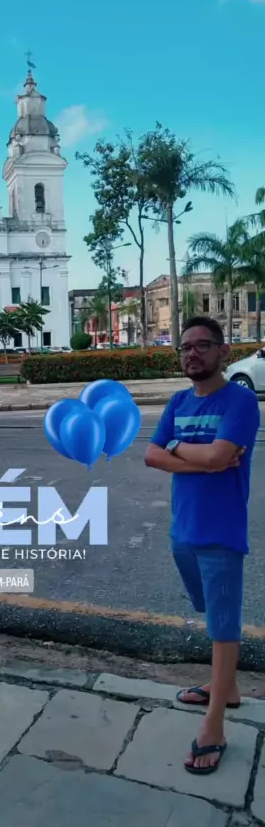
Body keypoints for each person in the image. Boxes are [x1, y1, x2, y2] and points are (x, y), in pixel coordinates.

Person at [144, 316, 260, 775]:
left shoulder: (241, 400)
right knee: (211, 612)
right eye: (185, 347)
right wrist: (200, 458)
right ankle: (226, 689)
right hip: (183, 531)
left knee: (223, 625)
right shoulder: (178, 401)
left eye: (202, 345)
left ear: (223, 352)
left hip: (220, 532)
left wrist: (179, 450)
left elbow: (217, 455)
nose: (191, 354)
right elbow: (152, 455)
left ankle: (214, 727)